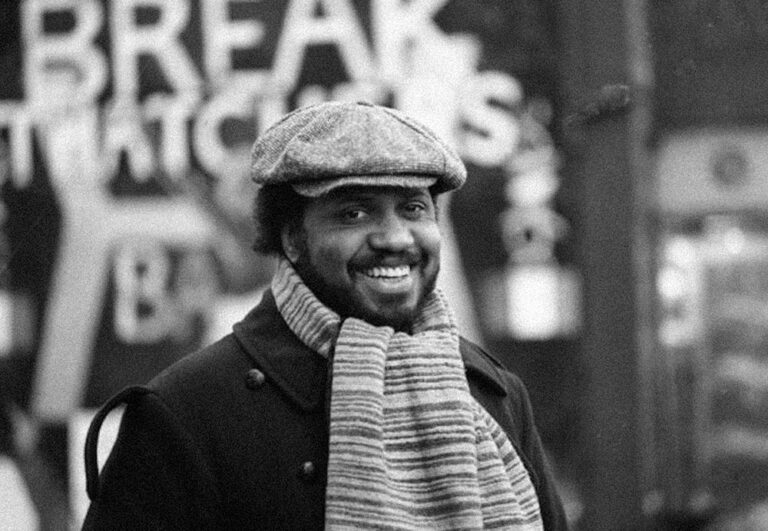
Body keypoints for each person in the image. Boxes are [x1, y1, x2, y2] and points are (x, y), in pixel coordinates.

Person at [82, 101, 568, 530]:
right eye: (354, 214)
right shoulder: (185, 413)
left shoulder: (493, 394)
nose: (396, 238)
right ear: (292, 238)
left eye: (414, 208)